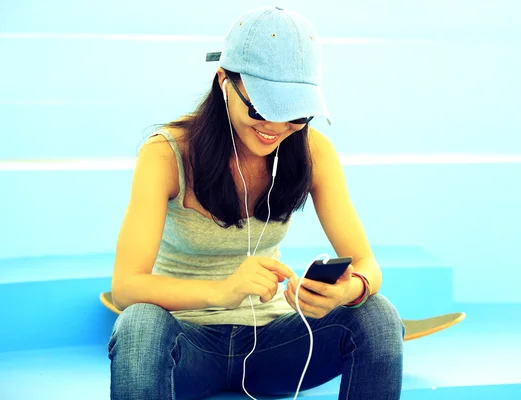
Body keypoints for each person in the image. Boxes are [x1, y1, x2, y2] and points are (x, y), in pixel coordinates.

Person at [108, 6, 404, 400]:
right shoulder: (166, 153)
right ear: (224, 82)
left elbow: (368, 266)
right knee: (138, 324)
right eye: (262, 108)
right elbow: (126, 288)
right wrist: (222, 291)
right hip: (185, 344)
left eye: (296, 114)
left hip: (274, 343)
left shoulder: (314, 152)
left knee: (378, 315)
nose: (277, 128)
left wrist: (346, 291)